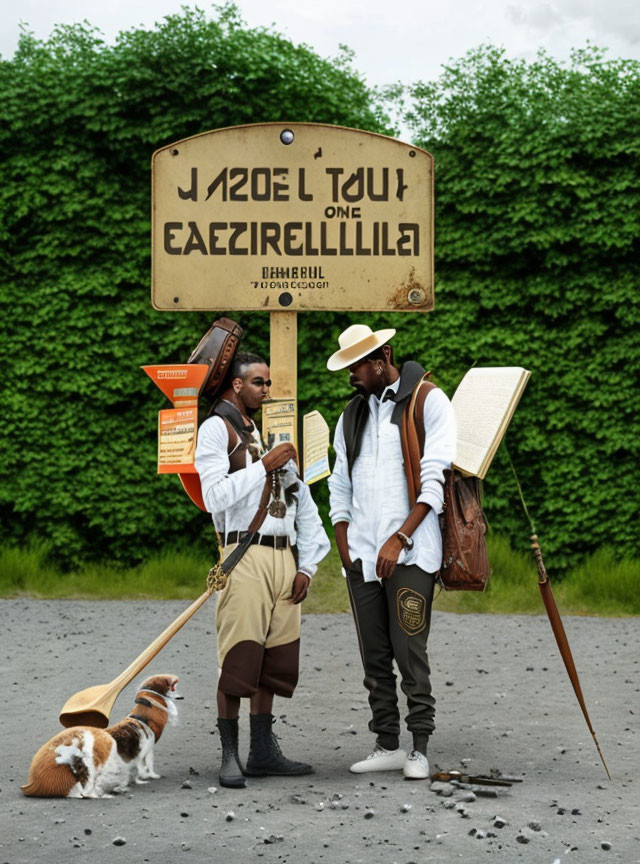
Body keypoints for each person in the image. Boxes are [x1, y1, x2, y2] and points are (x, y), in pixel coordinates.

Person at [195, 352, 330, 788]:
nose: (266, 390)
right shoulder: (215, 429)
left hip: (284, 559)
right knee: (239, 657)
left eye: (268, 383)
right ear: (236, 386)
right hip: (244, 554)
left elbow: (302, 503)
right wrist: (263, 466)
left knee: (274, 659)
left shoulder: (263, 434)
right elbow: (213, 496)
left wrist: (306, 564)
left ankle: (262, 752)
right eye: (258, 383)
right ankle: (229, 754)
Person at [327, 324, 456, 780]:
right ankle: (387, 742)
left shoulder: (429, 401)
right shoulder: (351, 414)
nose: (351, 376)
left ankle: (419, 747)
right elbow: (339, 483)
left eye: (357, 366)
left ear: (383, 357)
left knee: (410, 651)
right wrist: (344, 546)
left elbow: (434, 482)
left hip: (413, 552)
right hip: (360, 555)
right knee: (374, 656)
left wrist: (399, 538)